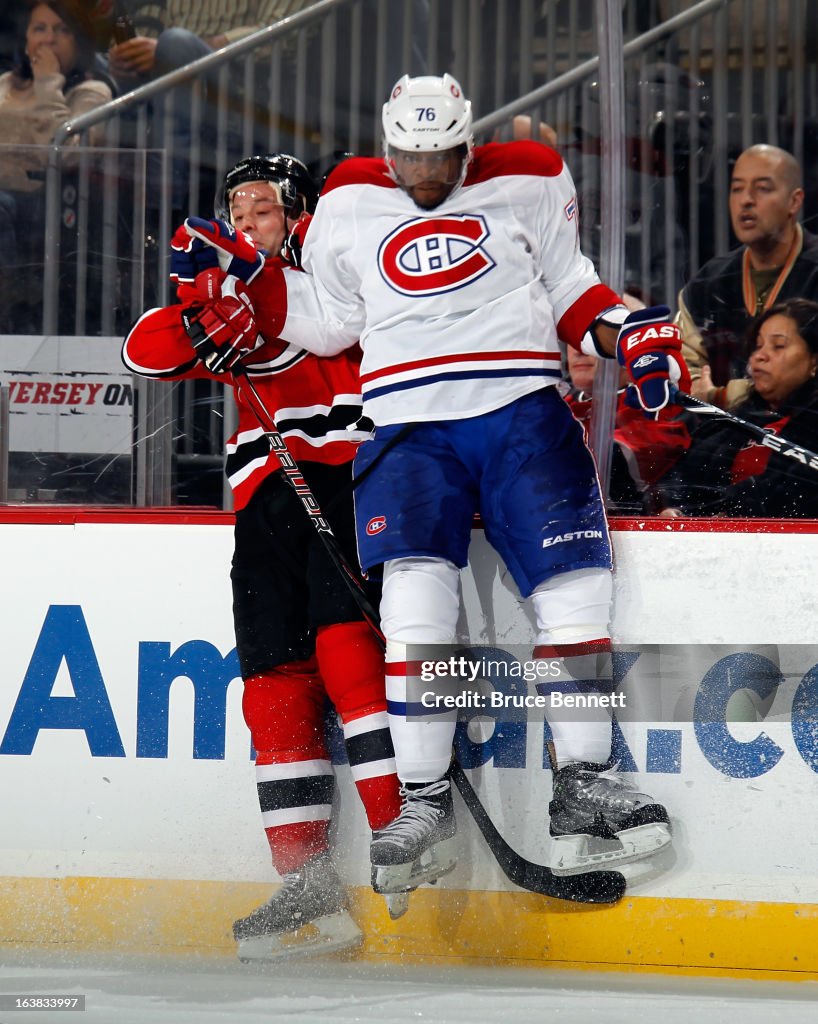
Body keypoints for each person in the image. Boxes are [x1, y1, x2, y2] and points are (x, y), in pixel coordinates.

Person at [179, 74, 691, 895]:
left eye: (440, 155)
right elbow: (333, 318)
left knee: (577, 592)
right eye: (409, 157)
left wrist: (631, 330)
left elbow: (570, 287)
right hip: (409, 426)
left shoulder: (527, 172)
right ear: (388, 144)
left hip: (524, 409)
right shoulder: (348, 197)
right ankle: (421, 802)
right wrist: (261, 295)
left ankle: (585, 785)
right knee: (415, 605)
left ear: (467, 139)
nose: (424, 175)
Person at [122, 154, 401, 960]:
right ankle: (307, 886)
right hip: (262, 497)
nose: (245, 219)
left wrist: (255, 282)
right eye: (234, 208)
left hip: (348, 473)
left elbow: (336, 321)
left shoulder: (336, 270)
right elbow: (145, 351)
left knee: (348, 652)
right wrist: (199, 301)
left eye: (262, 206)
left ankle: (395, 834)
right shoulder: (232, 289)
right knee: (274, 685)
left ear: (301, 209)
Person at [676, 144, 818, 409]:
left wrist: (727, 396)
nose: (746, 200)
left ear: (795, 201)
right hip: (721, 443)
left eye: (762, 188)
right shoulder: (707, 284)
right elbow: (682, 371)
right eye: (737, 188)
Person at [0, 0, 113, 330]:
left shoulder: (92, 91)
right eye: (40, 29)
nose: (49, 39)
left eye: (62, 30)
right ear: (25, 41)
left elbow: (66, 153)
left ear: (79, 43)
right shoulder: (4, 84)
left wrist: (48, 82)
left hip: (45, 207)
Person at [654, 299, 818, 518]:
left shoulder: (812, 423)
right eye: (758, 346)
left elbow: (791, 494)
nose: (760, 356)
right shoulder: (732, 421)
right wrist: (673, 509)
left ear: (814, 361)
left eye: (778, 346)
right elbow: (677, 482)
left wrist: (707, 513)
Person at [564, 346, 690, 512]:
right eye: (572, 341)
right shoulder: (555, 408)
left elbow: (630, 457)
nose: (578, 351)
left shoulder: (655, 408)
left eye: (590, 340)